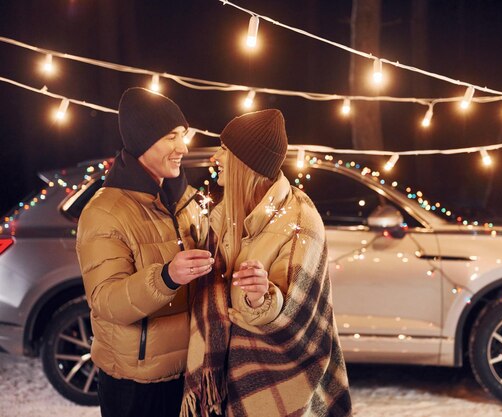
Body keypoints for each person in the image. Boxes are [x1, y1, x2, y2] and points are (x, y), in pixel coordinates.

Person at [181, 109, 352, 417]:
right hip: (226, 385)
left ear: (247, 163)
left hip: (283, 384)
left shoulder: (301, 220)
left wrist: (261, 297)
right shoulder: (224, 216)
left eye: (225, 150)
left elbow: (299, 317)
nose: (216, 158)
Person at [76, 87, 214, 417]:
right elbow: (107, 302)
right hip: (138, 386)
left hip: (190, 372)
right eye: (171, 137)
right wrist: (167, 277)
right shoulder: (105, 212)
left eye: (183, 135)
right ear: (142, 142)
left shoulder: (187, 201)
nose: (183, 147)